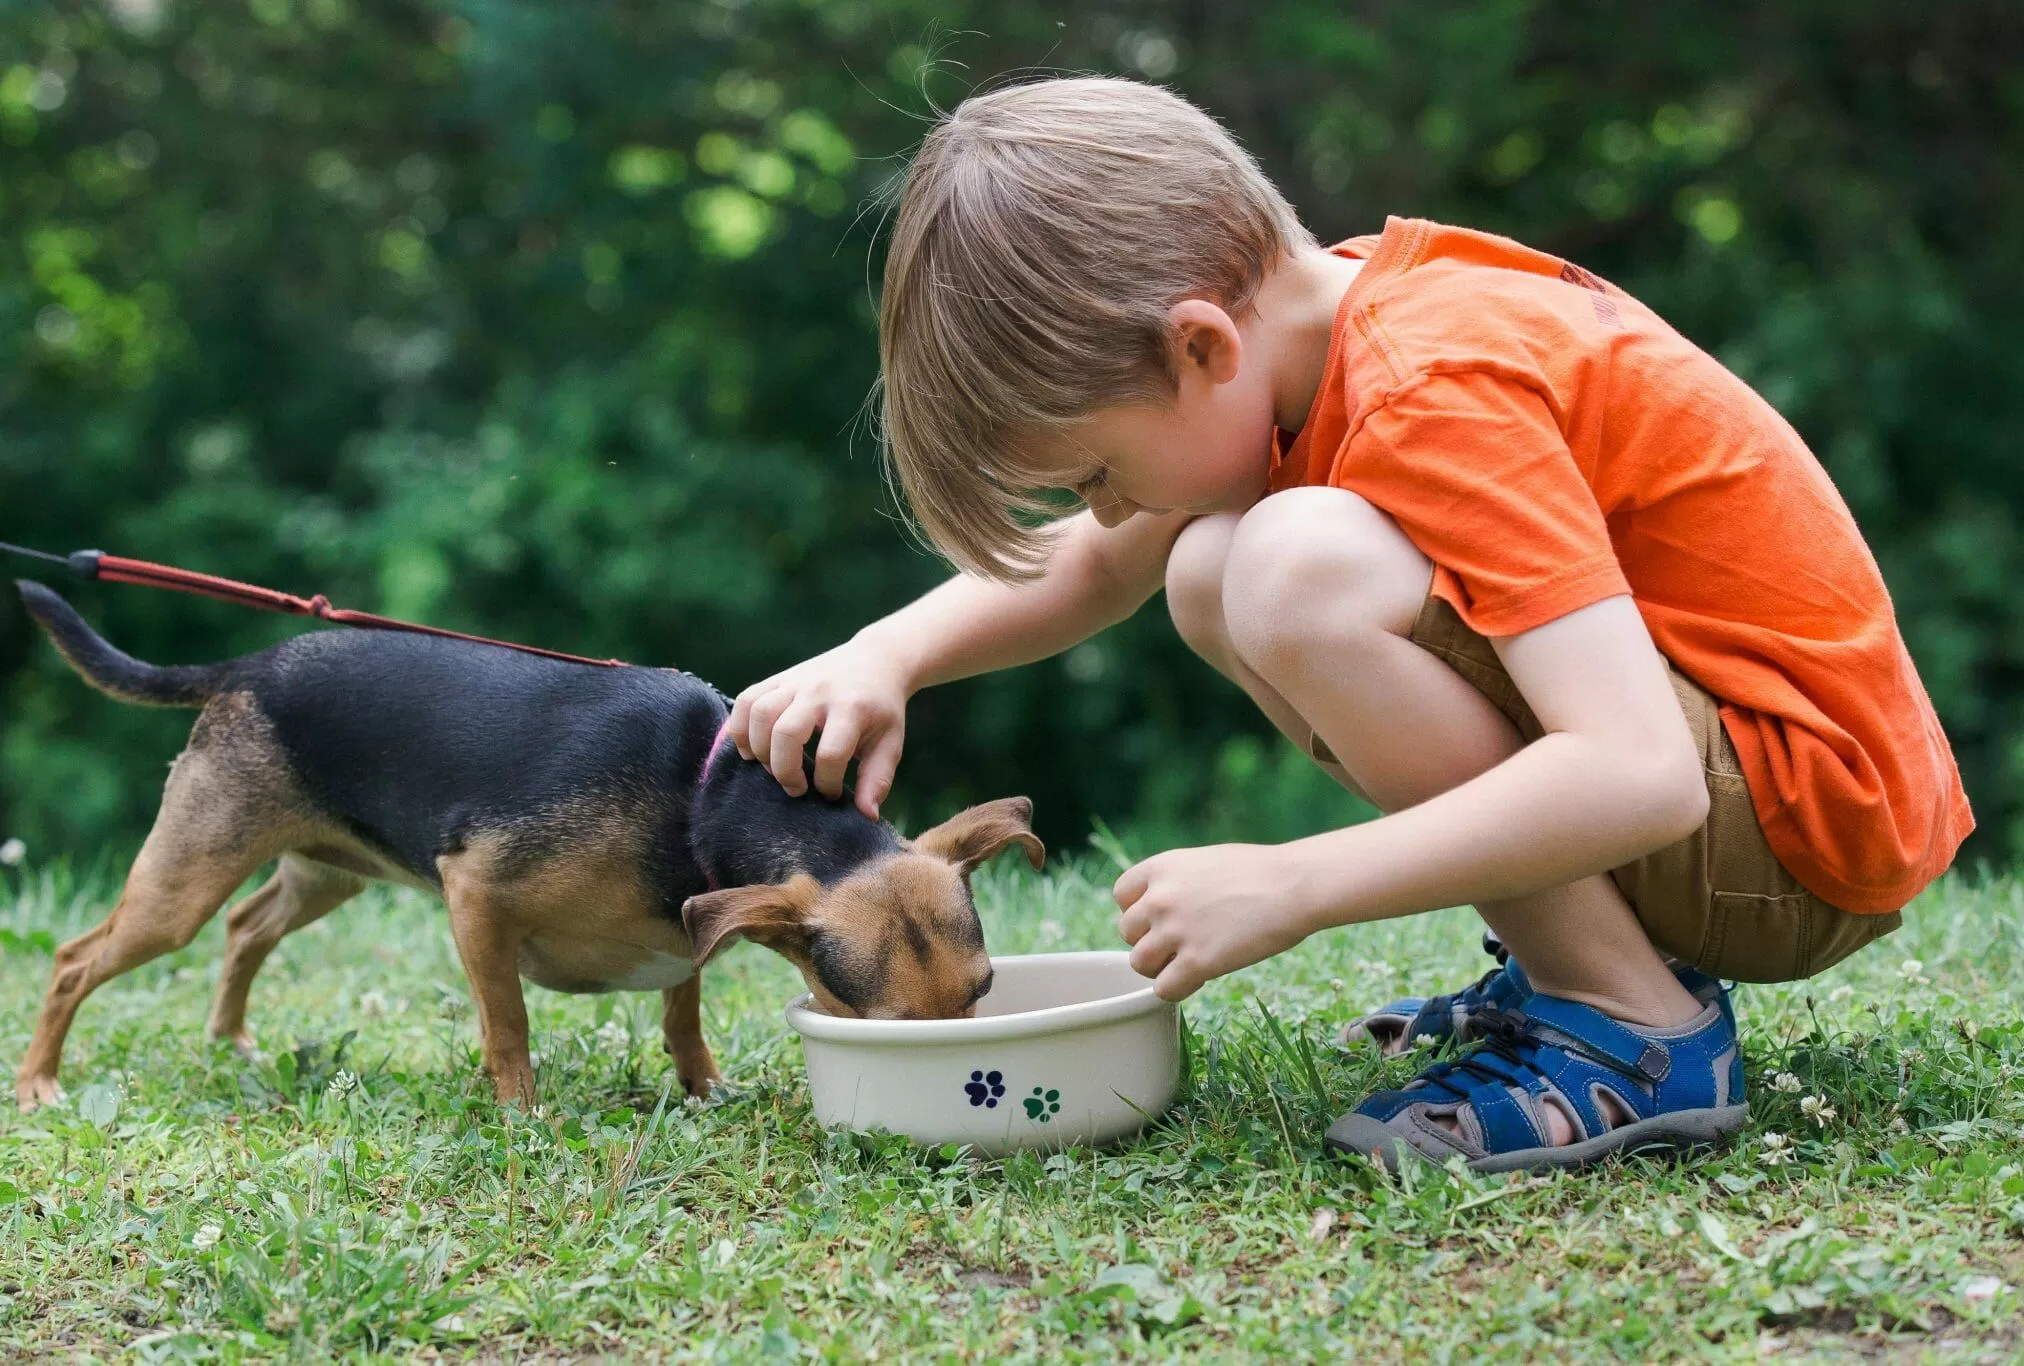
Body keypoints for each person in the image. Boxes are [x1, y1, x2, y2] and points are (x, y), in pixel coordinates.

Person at [723, 77, 1971, 1171]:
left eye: (1097, 471)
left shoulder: (1429, 390)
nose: (1105, 512)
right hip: (1747, 796)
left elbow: (1641, 775)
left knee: (1285, 564)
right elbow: (1101, 570)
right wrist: (885, 653)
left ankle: (1634, 1028)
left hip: (1799, 828)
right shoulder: (1309, 337)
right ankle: (1567, 968)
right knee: (1211, 559)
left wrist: (1296, 882)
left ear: (1198, 343)